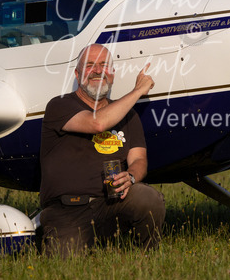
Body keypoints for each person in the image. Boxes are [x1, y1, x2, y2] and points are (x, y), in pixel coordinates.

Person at [39, 44, 166, 257]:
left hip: (112, 203)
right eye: (90, 65)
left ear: (113, 74)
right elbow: (96, 124)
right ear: (78, 75)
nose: (98, 70)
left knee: (149, 198)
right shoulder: (60, 106)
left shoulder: (128, 115)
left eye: (104, 65)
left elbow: (139, 159)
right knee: (67, 268)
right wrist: (137, 91)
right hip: (67, 210)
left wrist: (132, 177)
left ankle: (147, 257)